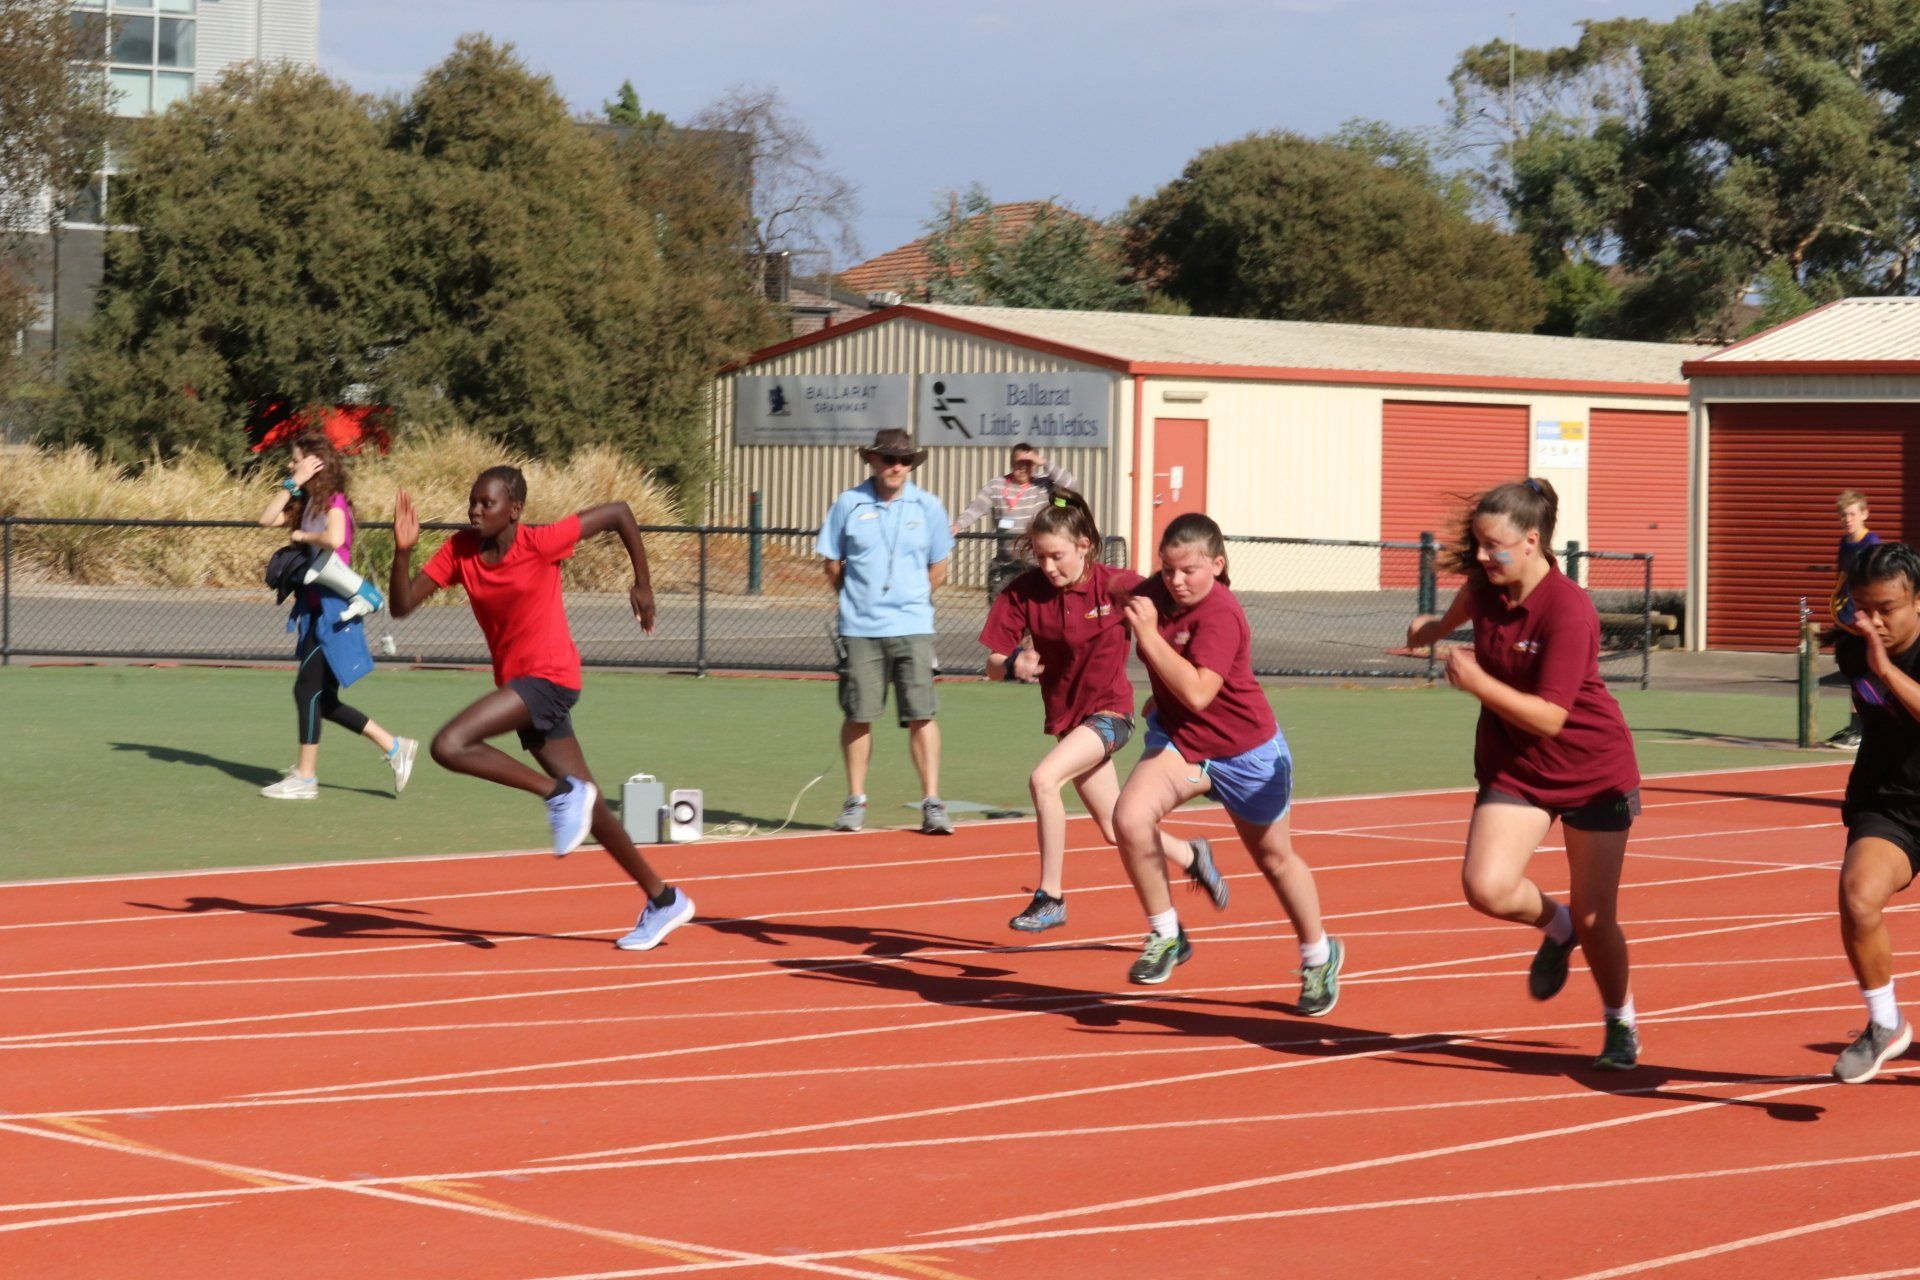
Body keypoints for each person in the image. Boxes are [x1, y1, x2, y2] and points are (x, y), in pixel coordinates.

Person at [386, 467, 694, 952]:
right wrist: (403, 550)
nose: (475, 510)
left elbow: (619, 513)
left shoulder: (541, 541)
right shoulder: (459, 551)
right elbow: (401, 607)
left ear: (515, 509)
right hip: (520, 689)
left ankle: (557, 794)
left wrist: (643, 583)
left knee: (450, 745)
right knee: (590, 805)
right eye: (472, 502)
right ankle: (663, 898)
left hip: (550, 678)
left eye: (487, 503)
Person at [1405, 477, 1642, 1071]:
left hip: (1592, 770)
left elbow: (1552, 717)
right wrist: (1432, 630)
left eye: (1495, 547)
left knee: (1598, 917)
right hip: (1516, 766)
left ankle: (1620, 1023)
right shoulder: (1488, 586)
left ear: (1532, 541)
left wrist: (1480, 684)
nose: (1483, 558)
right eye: (1479, 546)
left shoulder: (1569, 610)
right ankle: (1557, 926)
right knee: (1485, 886)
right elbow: (1465, 604)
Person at [1111, 512, 1340, 1015]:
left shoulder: (1221, 614)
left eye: (1188, 570)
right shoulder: (1154, 594)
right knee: (1129, 817)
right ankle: (1167, 934)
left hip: (1247, 752)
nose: (1176, 581)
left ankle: (1318, 955)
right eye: (1168, 570)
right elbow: (1104, 587)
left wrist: (1148, 638)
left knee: (1274, 860)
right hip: (1184, 743)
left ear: (1217, 564)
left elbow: (1197, 691)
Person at [978, 489, 1228, 932]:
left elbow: (1179, 606)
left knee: (1044, 779)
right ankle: (1191, 854)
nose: (1048, 567)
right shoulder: (1024, 593)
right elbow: (993, 664)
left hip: (1112, 715)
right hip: (1067, 722)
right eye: (1040, 557)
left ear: (1083, 546)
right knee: (1117, 828)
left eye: (1057, 556)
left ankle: (1050, 896)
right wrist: (1013, 664)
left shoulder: (1117, 585)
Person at [255, 431, 415, 800]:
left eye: (296, 460)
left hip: (334, 613)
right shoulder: (306, 503)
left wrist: (302, 537)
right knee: (322, 700)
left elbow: (333, 536)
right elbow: (265, 519)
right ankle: (394, 747)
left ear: (315, 463)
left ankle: (306, 779)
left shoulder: (333, 501)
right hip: (315, 612)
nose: (290, 464)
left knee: (306, 690)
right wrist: (292, 484)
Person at [818, 429, 956, 836]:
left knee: (921, 713)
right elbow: (832, 564)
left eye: (905, 460)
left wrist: (911, 601)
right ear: (873, 461)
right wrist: (858, 601)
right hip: (860, 628)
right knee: (859, 714)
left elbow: (939, 568)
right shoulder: (848, 503)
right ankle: (855, 801)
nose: (897, 466)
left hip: (913, 626)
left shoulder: (928, 506)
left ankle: (932, 802)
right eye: (889, 458)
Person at [1830, 542, 1920, 1082]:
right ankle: (1884, 1023)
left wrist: (1885, 670)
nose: (1875, 621)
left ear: (1917, 602)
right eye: (1864, 608)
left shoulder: (1877, 658)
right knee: (1857, 897)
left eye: (1887, 608)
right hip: (1889, 805)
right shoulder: (1852, 649)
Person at [951, 443, 1078, 594]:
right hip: (1005, 565)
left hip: (1035, 565)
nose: (1023, 467)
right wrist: (958, 525)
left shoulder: (1044, 485)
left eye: (1028, 463)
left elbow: (1071, 485)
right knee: (1002, 611)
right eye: (1019, 462)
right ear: (1012, 462)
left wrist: (1044, 462)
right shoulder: (996, 485)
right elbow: (976, 508)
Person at [1827, 489, 1883, 751]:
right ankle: (1854, 726)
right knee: (1852, 672)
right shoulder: (1844, 542)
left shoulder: (1871, 544)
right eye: (1843, 515)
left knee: (1864, 672)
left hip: (1865, 619)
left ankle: (1861, 730)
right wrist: (1838, 605)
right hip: (1847, 618)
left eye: (1852, 514)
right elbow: (1843, 579)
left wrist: (1870, 616)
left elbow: (1877, 583)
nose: (1847, 519)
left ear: (1864, 514)